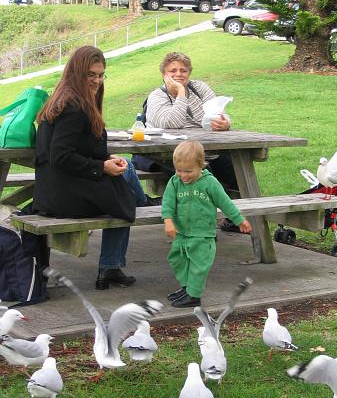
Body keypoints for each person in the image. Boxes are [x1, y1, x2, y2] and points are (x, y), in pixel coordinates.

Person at [33, 45, 160, 290]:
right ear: (76, 73)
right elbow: (61, 156)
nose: (97, 80)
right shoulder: (74, 106)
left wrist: (106, 161)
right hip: (64, 197)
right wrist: (101, 167)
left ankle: (113, 262)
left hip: (54, 191)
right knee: (124, 195)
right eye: (91, 75)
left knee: (124, 177)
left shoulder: (64, 98)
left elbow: (77, 149)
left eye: (101, 75)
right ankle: (141, 207)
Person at [132, 52, 241, 233]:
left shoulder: (200, 88)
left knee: (236, 168)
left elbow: (218, 112)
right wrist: (181, 93)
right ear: (164, 74)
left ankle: (238, 219)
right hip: (166, 153)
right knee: (204, 175)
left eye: (183, 70)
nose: (178, 74)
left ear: (189, 73)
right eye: (172, 70)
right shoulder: (157, 96)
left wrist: (225, 122)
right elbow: (171, 124)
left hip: (206, 149)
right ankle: (199, 228)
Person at [161, 140, 252, 308]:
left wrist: (239, 219)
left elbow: (226, 203)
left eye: (188, 171)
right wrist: (168, 221)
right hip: (182, 233)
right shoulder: (175, 182)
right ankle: (187, 288)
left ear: (201, 165)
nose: (183, 175)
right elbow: (167, 202)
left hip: (202, 236)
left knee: (198, 266)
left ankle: (194, 296)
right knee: (178, 260)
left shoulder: (210, 183)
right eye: (179, 170)